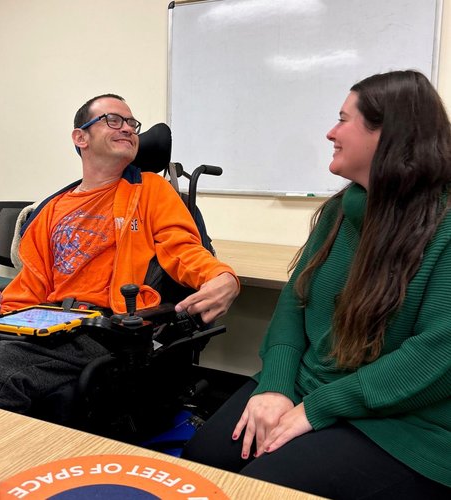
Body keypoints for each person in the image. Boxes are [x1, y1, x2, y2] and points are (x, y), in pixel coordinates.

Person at [182, 70, 451, 499]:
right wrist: (275, 386)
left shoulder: (444, 225)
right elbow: (295, 301)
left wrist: (319, 409)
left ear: (389, 136)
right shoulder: (340, 211)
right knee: (200, 466)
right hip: (313, 385)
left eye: (344, 120)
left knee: (258, 491)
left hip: (408, 420)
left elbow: (437, 357)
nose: (331, 132)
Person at [0, 93, 239, 414]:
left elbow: (183, 250)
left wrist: (221, 276)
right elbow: (28, 289)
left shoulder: (151, 191)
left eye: (132, 123)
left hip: (106, 329)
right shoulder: (49, 210)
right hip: (48, 324)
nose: (129, 129)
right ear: (80, 137)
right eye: (114, 120)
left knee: (1, 368)